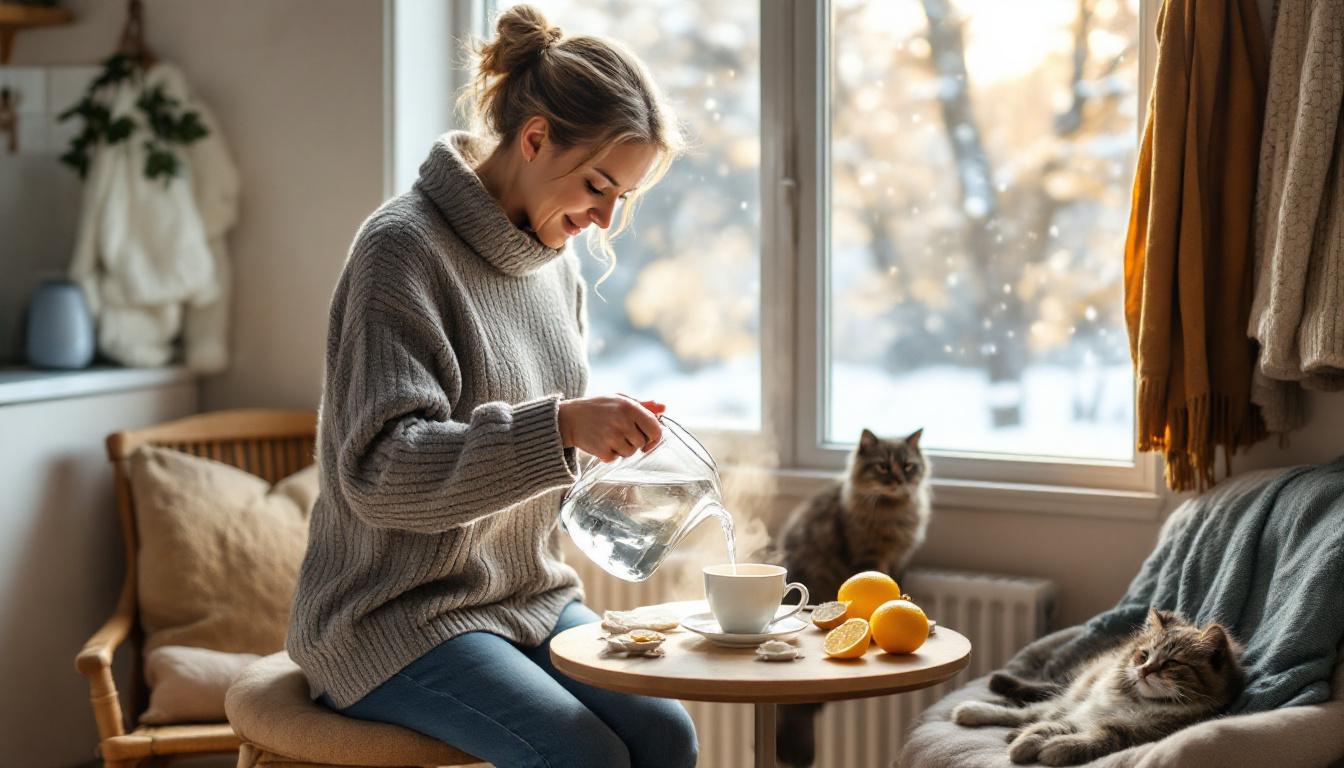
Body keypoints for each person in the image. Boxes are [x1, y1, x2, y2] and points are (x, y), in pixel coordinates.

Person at [286, 6, 698, 767]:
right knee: (586, 756)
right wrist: (561, 429)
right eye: (599, 186)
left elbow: (526, 456)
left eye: (624, 198)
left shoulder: (554, 266)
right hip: (391, 618)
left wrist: (599, 446)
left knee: (668, 735)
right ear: (535, 138)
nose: (606, 219)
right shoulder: (401, 249)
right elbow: (380, 473)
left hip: (525, 600)